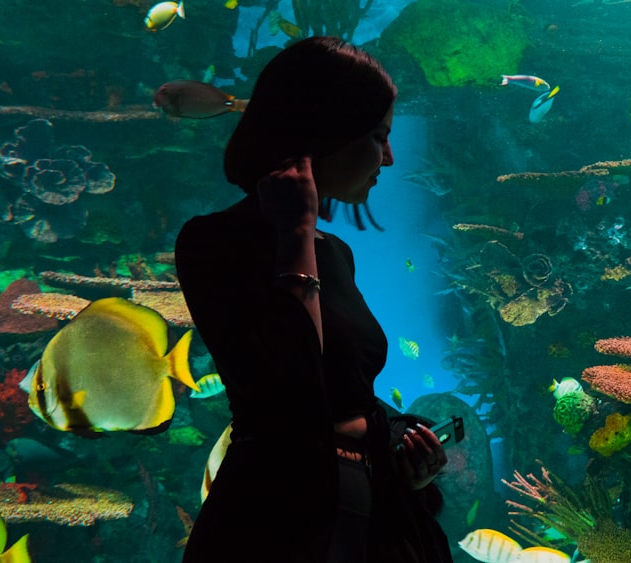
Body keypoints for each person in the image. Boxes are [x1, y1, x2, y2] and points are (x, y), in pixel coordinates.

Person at [175, 36, 454, 562]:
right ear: (325, 133)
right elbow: (290, 393)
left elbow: (345, 389)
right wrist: (295, 231)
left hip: (373, 515)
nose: (389, 158)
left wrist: (402, 446)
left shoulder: (336, 252)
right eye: (378, 136)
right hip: (281, 522)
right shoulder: (210, 243)